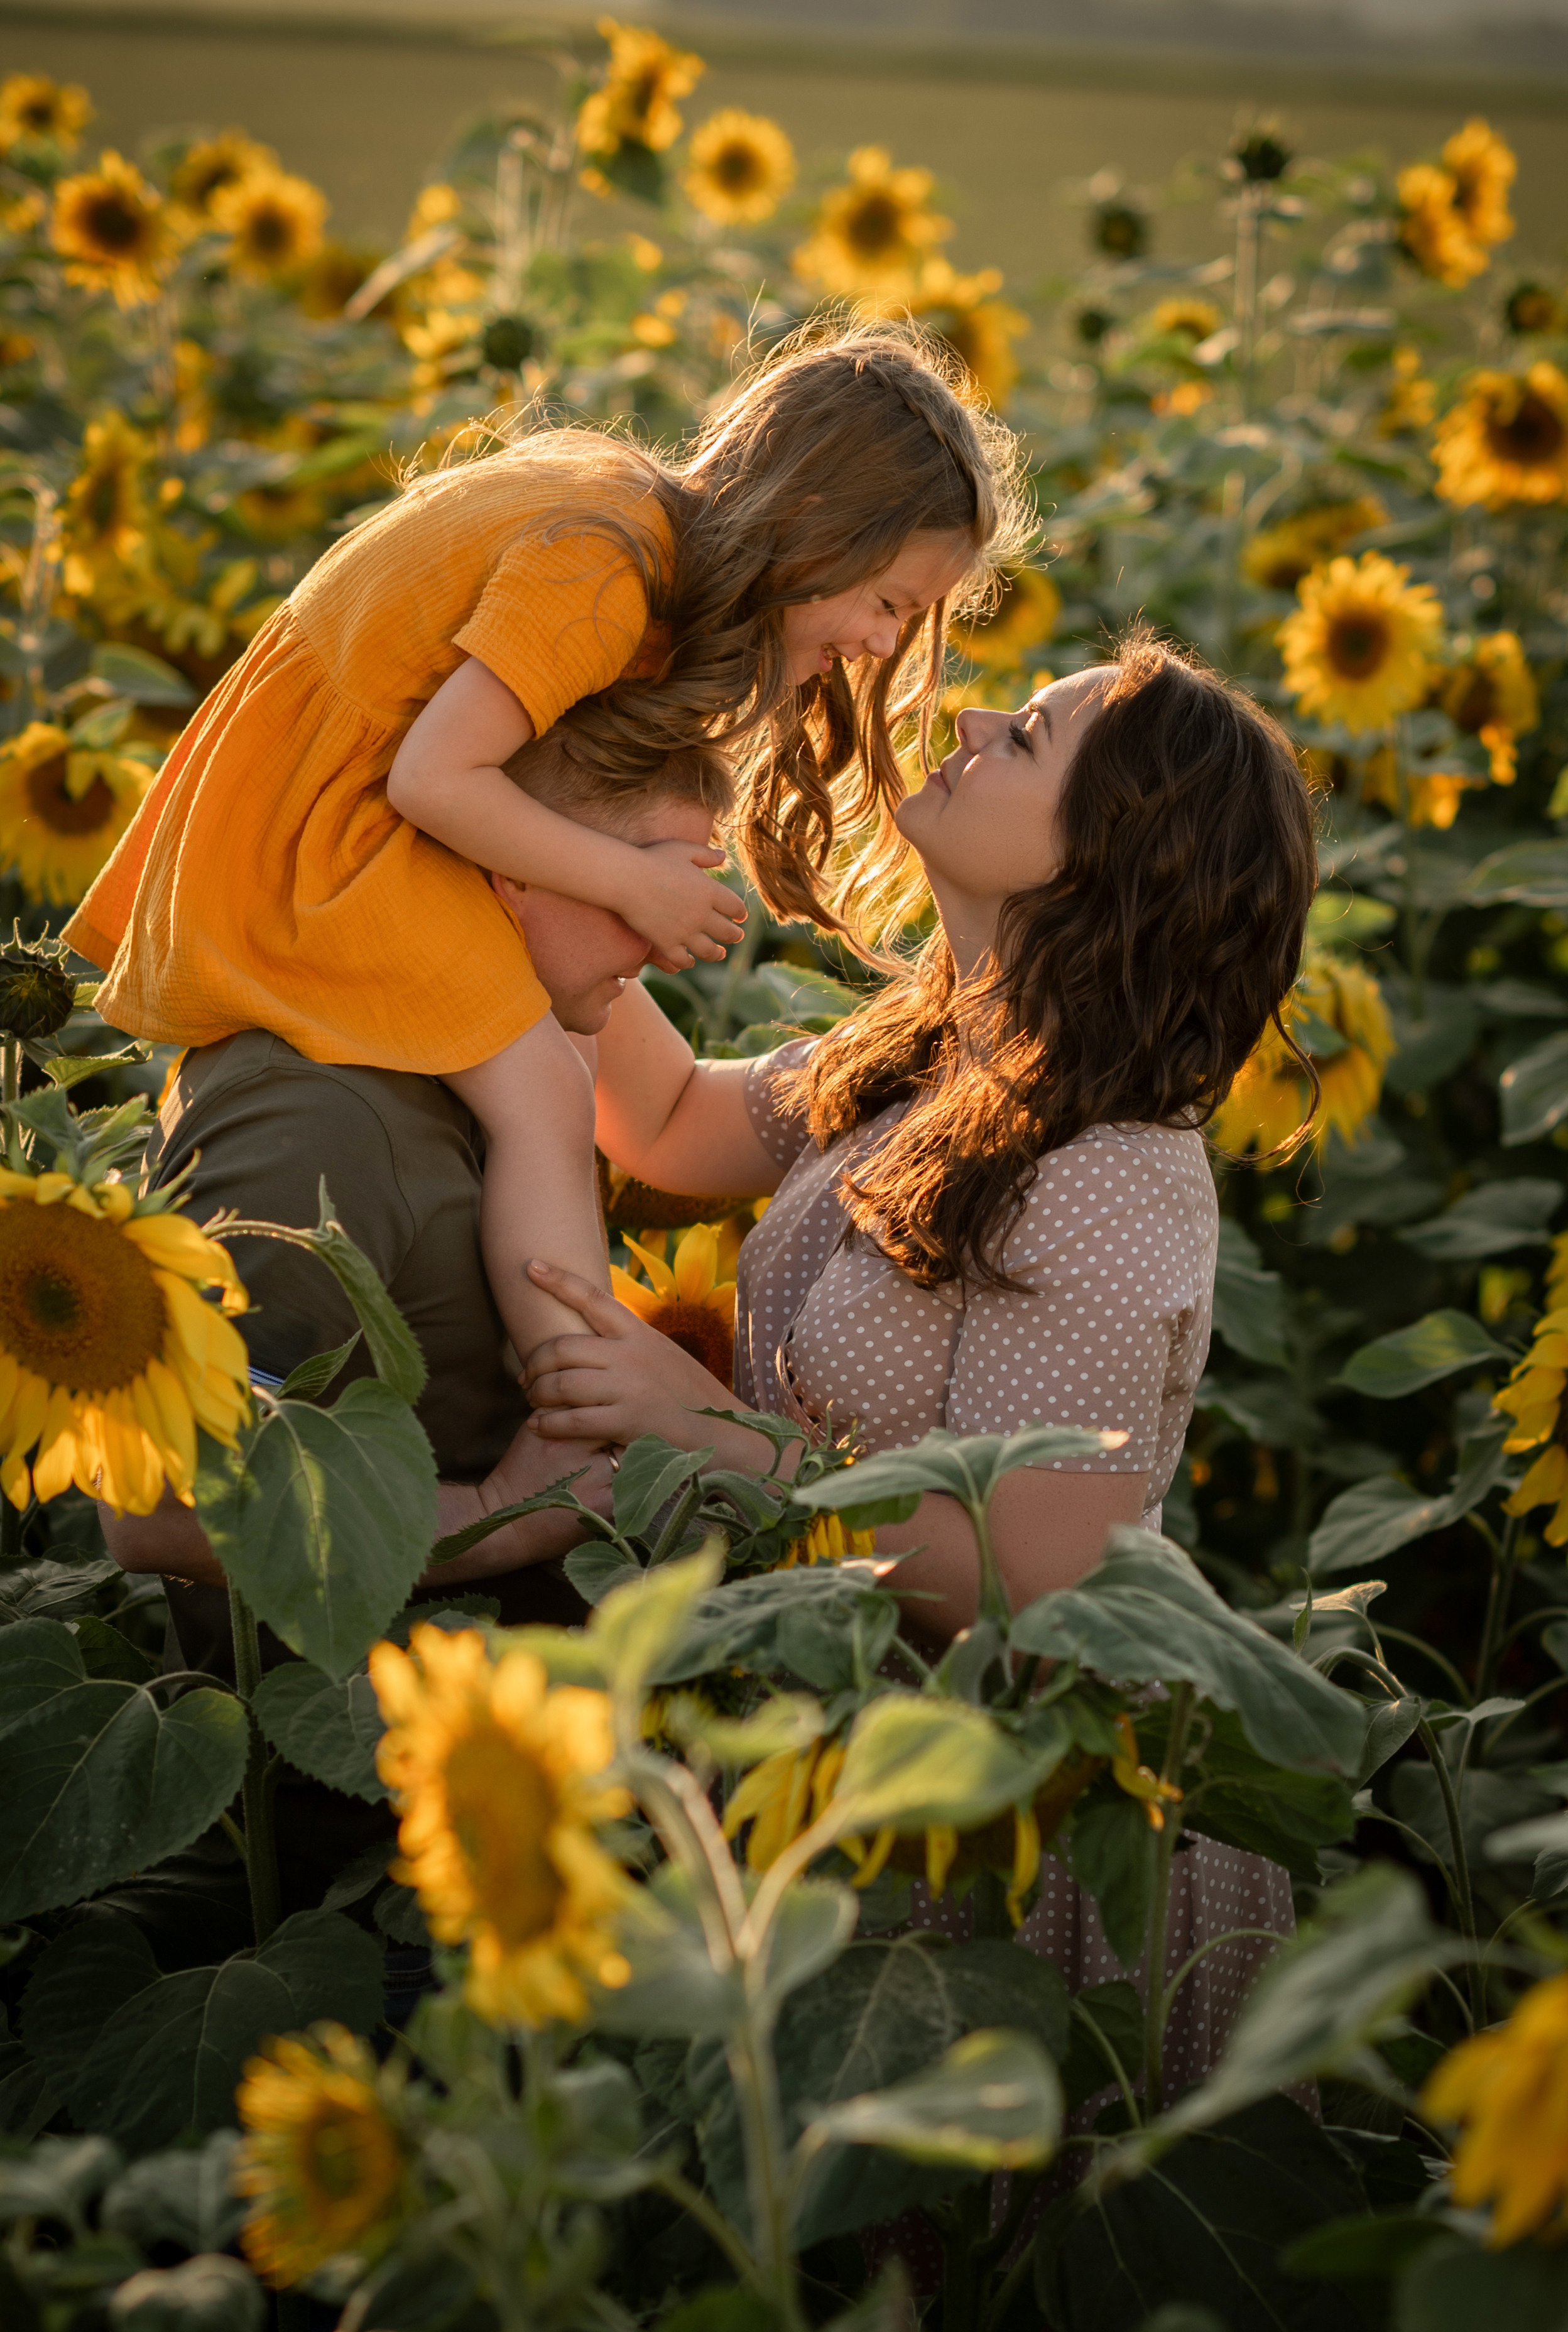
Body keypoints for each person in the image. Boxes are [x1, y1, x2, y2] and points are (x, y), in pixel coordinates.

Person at [513, 631, 1320, 2098]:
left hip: (1004, 1839)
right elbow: (671, 1119)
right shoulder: (943, 1054)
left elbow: (1033, 1584)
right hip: (840, 1753)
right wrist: (542, 870)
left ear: (1105, 859)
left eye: (1031, 735)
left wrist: (705, 1423)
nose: (975, 713)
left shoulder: (1112, 1171)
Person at [66, 322, 1028, 1397]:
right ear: (812, 521)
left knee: (554, 1062)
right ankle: (577, 1393)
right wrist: (633, 883)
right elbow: (434, 781)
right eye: (889, 603)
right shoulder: (605, 565)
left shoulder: (628, 534)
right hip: (325, 833)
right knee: (544, 1097)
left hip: (338, 806)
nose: (885, 645)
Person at [99, 723, 734, 1914]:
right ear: (508, 864)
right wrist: (491, 1521)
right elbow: (158, 1507)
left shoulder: (499, 1059)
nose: (667, 941)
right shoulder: (316, 1114)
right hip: (375, 1864)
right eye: (638, 880)